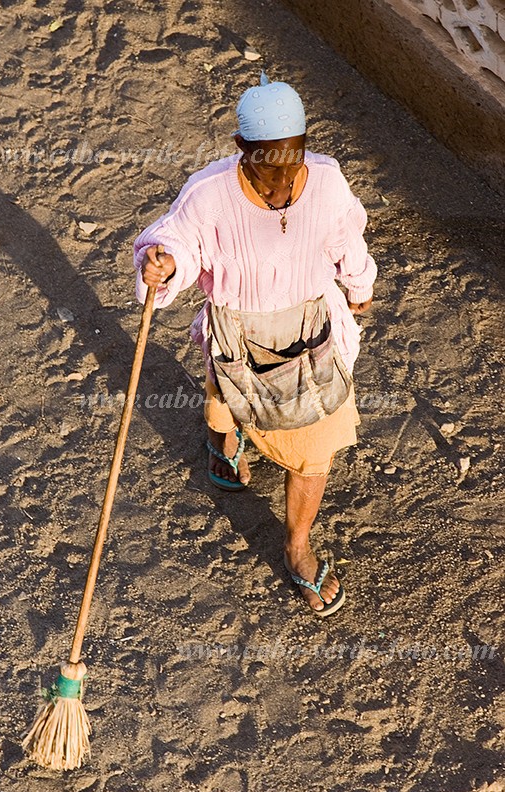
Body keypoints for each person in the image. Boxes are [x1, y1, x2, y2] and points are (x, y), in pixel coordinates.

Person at [133, 72, 376, 617]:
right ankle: (224, 444)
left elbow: (346, 238)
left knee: (316, 448)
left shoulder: (328, 182)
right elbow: (178, 238)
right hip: (238, 332)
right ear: (242, 150)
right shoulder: (209, 193)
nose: (281, 179)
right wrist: (166, 262)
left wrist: (359, 286)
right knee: (226, 400)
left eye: (291, 161)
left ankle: (296, 547)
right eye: (267, 163)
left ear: (304, 147)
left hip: (311, 332)